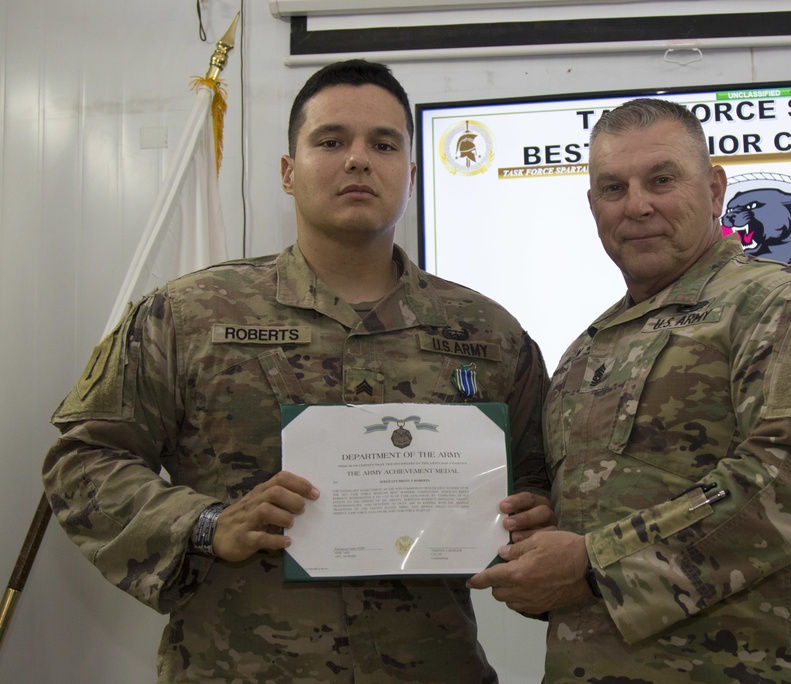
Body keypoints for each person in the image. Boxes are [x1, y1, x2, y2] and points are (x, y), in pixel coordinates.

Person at [42, 59, 552, 683]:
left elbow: (540, 483)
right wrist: (206, 524)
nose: (358, 160)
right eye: (331, 141)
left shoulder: (487, 333)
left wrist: (532, 519)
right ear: (289, 171)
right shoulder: (187, 315)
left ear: (411, 175)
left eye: (383, 144)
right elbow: (83, 462)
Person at [468, 98, 791, 683]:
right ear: (594, 207)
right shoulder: (586, 352)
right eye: (613, 188)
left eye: (662, 180)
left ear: (714, 190)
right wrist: (537, 535)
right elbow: (593, 522)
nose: (637, 205)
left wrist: (591, 566)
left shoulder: (783, 307)